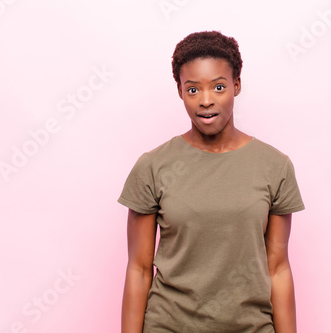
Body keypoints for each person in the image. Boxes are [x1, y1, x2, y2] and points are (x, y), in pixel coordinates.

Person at [118, 30, 305, 332]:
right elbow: (139, 270)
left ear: (236, 85)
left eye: (218, 87)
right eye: (193, 90)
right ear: (180, 91)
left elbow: (278, 268)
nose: (206, 101)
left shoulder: (275, 166)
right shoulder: (152, 166)